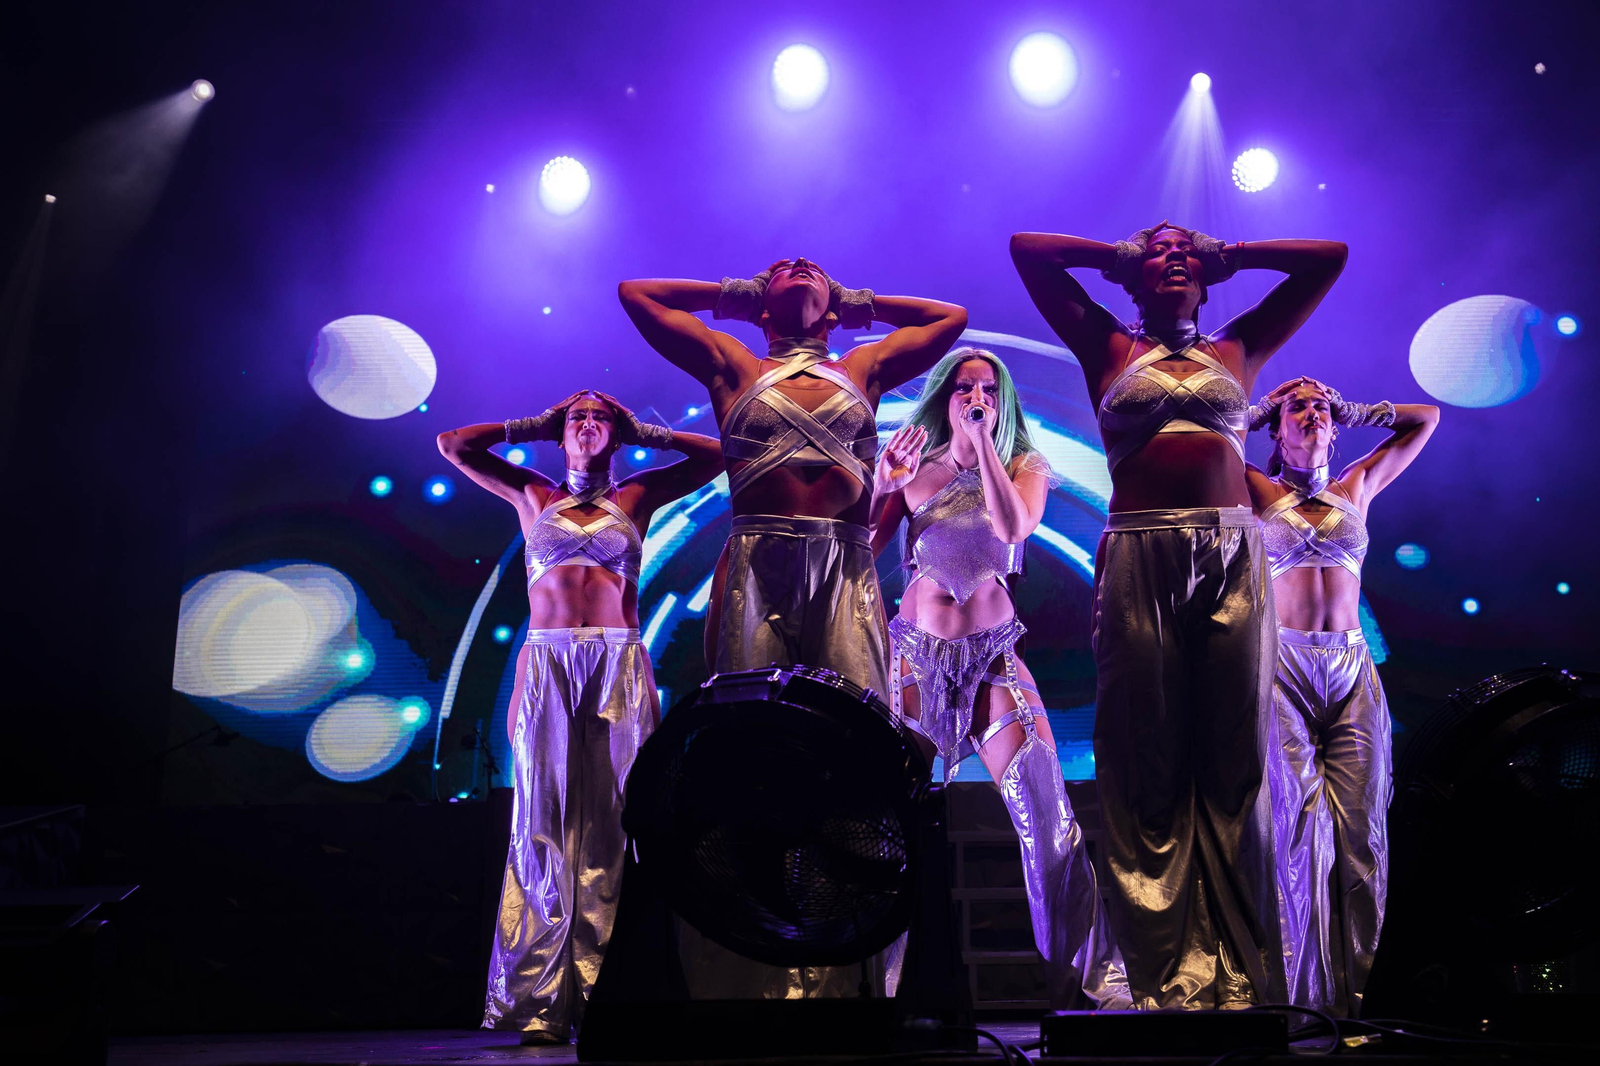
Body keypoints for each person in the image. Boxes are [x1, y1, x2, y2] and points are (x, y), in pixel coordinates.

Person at [1009, 221, 1347, 1009]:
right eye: (1151, 250)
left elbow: (1327, 257)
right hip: (1140, 552)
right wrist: (1118, 254)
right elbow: (1029, 249)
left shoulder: (1238, 348)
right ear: (1129, 277)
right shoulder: (1108, 347)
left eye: (1181, 252)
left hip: (1233, 553)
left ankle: (1241, 974)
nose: (1168, 255)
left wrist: (1226, 254)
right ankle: (1163, 969)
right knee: (1146, 755)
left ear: (1204, 275)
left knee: (1234, 759)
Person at [618, 259, 966, 998]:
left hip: (843, 567)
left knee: (855, 748)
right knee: (751, 750)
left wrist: (857, 302)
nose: (798, 266)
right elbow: (637, 294)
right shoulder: (731, 361)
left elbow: (949, 319)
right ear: (759, 302)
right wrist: (734, 297)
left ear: (834, 308)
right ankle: (751, 976)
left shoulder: (864, 364)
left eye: (814, 269)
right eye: (778, 269)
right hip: (758, 563)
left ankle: (851, 975)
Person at [438, 391, 722, 1044]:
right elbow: (453, 444)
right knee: (542, 823)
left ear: (617, 434)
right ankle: (538, 1001)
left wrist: (642, 428)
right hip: (548, 663)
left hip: (619, 664)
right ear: (561, 436)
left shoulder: (637, 499)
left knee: (616, 822)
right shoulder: (533, 496)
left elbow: (717, 457)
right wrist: (532, 425)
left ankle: (610, 993)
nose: (588, 424)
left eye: (600, 418)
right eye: (577, 418)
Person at [870, 346, 1131, 1009]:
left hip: (992, 659)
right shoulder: (913, 469)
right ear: (943, 397)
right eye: (963, 388)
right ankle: (877, 984)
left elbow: (1016, 524)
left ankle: (1101, 982)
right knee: (886, 820)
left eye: (987, 388)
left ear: (1001, 400)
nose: (975, 396)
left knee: (1046, 811)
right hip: (915, 658)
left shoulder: (1023, 466)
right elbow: (863, 549)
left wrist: (984, 443)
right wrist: (880, 486)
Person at [1245, 376, 1439, 1016]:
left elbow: (1425, 418)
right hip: (1286, 670)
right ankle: (1306, 1005)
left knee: (1363, 833)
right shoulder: (1257, 488)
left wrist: (1357, 409)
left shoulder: (1357, 483)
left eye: (1322, 408)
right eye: (1298, 407)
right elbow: (1209, 443)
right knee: (1300, 837)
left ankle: (1366, 1002)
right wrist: (1266, 407)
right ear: (1278, 430)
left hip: (1351, 668)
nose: (1313, 414)